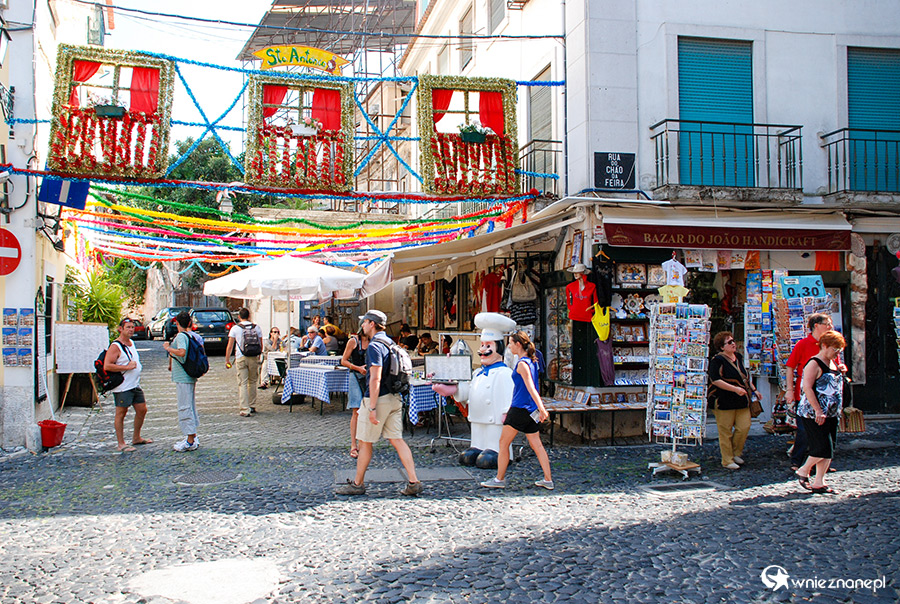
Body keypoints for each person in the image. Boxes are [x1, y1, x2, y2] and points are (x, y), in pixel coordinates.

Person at [336, 310, 423, 496]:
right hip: (394, 397)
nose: (363, 326)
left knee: (365, 442)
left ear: (372, 323)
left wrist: (372, 407)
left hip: (378, 398)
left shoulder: (375, 346)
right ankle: (414, 481)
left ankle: (358, 484)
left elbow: (375, 378)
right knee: (397, 440)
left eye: (364, 322)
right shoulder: (391, 342)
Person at [432, 313, 515, 469]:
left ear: (499, 348)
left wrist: (506, 412)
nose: (482, 350)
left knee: (493, 437)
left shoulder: (504, 373)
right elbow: (467, 390)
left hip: (494, 419)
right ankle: (478, 447)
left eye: (488, 346)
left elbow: (508, 395)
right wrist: (450, 389)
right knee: (477, 439)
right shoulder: (477, 373)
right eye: (482, 345)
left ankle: (498, 451)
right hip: (477, 417)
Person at [481, 330, 554, 490]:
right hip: (530, 410)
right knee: (537, 445)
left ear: (518, 344)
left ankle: (499, 479)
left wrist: (542, 408)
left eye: (511, 343)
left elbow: (531, 388)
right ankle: (548, 479)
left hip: (520, 409)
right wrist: (539, 408)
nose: (509, 346)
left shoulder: (522, 364)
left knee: (503, 443)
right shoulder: (531, 361)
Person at [785, 313, 843, 470]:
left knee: (826, 434)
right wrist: (789, 390)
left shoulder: (831, 343)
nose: (830, 326)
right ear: (816, 325)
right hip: (806, 396)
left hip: (827, 400)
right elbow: (790, 367)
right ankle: (798, 462)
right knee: (805, 431)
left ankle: (821, 463)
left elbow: (834, 366)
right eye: (827, 323)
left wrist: (841, 369)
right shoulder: (803, 344)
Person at [795, 330, 846, 494]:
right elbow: (807, 387)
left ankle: (819, 482)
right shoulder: (814, 363)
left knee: (829, 450)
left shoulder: (833, 362)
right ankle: (803, 470)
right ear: (824, 345)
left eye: (839, 350)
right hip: (814, 413)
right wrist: (817, 409)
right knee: (822, 447)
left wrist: (842, 372)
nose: (836, 352)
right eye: (834, 349)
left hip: (831, 412)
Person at [708, 331, 757, 469]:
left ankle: (736, 452)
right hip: (724, 400)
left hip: (741, 400)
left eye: (733, 341)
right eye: (729, 342)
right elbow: (716, 380)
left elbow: (745, 377)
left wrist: (754, 390)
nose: (733, 344)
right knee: (725, 431)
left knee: (744, 427)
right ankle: (727, 460)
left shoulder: (738, 357)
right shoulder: (717, 361)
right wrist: (734, 389)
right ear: (722, 347)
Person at [104, 317, 151, 452]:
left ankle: (136, 437)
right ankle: (121, 443)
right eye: (128, 327)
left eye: (132, 327)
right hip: (123, 386)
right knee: (121, 412)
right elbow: (107, 365)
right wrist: (126, 367)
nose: (131, 330)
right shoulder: (115, 346)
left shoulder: (131, 343)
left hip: (135, 384)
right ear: (120, 329)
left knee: (142, 409)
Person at [163, 311, 200, 452]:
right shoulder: (191, 335)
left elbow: (182, 352)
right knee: (189, 405)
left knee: (184, 406)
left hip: (183, 376)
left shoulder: (181, 336)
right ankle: (193, 436)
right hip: (188, 375)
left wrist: (168, 348)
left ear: (177, 323)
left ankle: (190, 440)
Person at [224, 308, 263, 417]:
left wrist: (227, 360)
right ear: (249, 316)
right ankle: (252, 405)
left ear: (239, 317)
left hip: (241, 357)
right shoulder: (257, 328)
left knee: (243, 383)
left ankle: (244, 409)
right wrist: (258, 356)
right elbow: (260, 344)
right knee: (253, 381)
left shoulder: (235, 328)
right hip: (254, 357)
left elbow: (230, 345)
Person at [340, 329, 370, 459]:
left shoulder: (374, 341)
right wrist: (358, 368)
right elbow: (344, 361)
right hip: (355, 377)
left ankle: (365, 443)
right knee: (356, 410)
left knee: (369, 410)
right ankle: (354, 445)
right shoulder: (353, 342)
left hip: (369, 377)